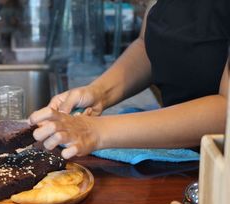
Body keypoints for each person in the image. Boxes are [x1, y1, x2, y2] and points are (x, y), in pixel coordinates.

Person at [29, 0, 230, 159]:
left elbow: (226, 111)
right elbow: (148, 45)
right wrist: (99, 92)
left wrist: (95, 131)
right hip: (181, 158)